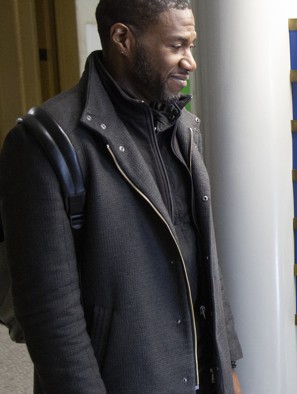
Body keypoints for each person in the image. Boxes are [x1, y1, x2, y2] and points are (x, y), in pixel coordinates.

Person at [0, 0, 242, 392]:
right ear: (123, 39)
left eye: (191, 46)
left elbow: (204, 264)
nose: (190, 61)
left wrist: (225, 361)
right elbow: (49, 315)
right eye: (176, 46)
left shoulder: (182, 128)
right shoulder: (44, 143)